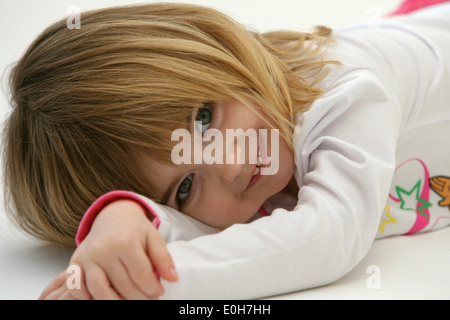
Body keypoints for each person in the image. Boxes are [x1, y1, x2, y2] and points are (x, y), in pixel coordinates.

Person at [3, 1, 450, 299]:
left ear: (213, 47)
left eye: (202, 118)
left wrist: (143, 282)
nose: (231, 164)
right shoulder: (253, 171)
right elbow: (228, 234)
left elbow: (329, 237)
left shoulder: (348, 89)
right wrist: (124, 217)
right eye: (184, 188)